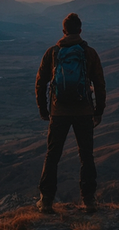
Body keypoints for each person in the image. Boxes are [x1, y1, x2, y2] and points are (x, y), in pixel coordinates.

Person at [35, 12, 106, 214]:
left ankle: (46, 200)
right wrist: (98, 111)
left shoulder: (53, 53)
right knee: (86, 155)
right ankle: (89, 200)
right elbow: (99, 84)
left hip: (59, 113)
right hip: (84, 112)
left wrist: (43, 110)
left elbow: (41, 83)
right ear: (80, 30)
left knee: (52, 155)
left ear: (63, 31)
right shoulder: (89, 53)